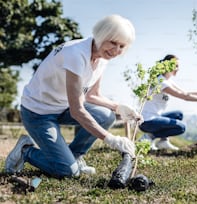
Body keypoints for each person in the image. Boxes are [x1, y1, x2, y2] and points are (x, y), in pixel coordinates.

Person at [5, 14, 142, 178]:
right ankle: (26, 150)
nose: (116, 50)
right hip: (38, 113)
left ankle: (74, 157)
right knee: (67, 172)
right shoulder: (76, 54)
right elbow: (77, 110)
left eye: (122, 46)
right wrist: (111, 140)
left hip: (62, 107)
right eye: (113, 42)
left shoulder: (102, 58)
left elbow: (92, 95)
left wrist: (118, 108)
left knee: (106, 116)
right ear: (101, 35)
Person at [138, 54, 197, 151]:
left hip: (154, 117)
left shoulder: (167, 80)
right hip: (147, 121)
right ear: (168, 65)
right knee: (181, 127)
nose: (178, 69)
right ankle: (149, 137)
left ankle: (163, 141)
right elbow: (184, 97)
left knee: (178, 114)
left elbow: (185, 93)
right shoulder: (161, 82)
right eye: (176, 66)